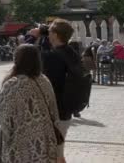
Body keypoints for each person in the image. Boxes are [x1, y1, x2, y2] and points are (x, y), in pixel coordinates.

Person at [0, 44, 60, 163]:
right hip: (45, 139)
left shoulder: (13, 84)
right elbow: (54, 110)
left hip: (19, 141)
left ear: (16, 60)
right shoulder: (44, 80)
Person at [44, 18, 82, 163]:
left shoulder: (53, 56)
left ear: (55, 35)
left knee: (53, 154)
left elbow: (47, 84)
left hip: (55, 110)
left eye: (49, 31)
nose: (47, 34)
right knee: (58, 151)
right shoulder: (71, 52)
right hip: (66, 109)